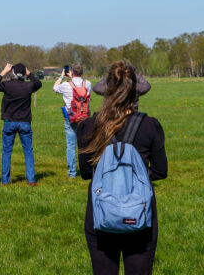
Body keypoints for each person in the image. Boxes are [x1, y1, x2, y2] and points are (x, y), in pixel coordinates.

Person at [77, 61, 167, 274]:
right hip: (140, 216)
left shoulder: (89, 127)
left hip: (101, 215)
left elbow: (86, 173)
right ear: (136, 94)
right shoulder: (149, 126)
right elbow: (161, 171)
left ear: (106, 92)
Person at [0, 62, 42, 186]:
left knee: (7, 151)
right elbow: (38, 83)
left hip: (9, 122)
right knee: (28, 151)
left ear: (12, 73)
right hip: (24, 122)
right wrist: (29, 73)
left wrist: (4, 71)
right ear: (24, 74)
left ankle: (5, 180)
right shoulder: (29, 86)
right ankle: (31, 180)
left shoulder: (7, 85)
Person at [53, 64, 92, 179]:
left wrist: (61, 77)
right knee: (85, 145)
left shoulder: (66, 85)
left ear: (72, 72)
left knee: (70, 145)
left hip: (71, 117)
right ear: (82, 73)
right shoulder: (88, 84)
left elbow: (55, 88)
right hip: (85, 117)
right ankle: (87, 169)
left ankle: (72, 173)